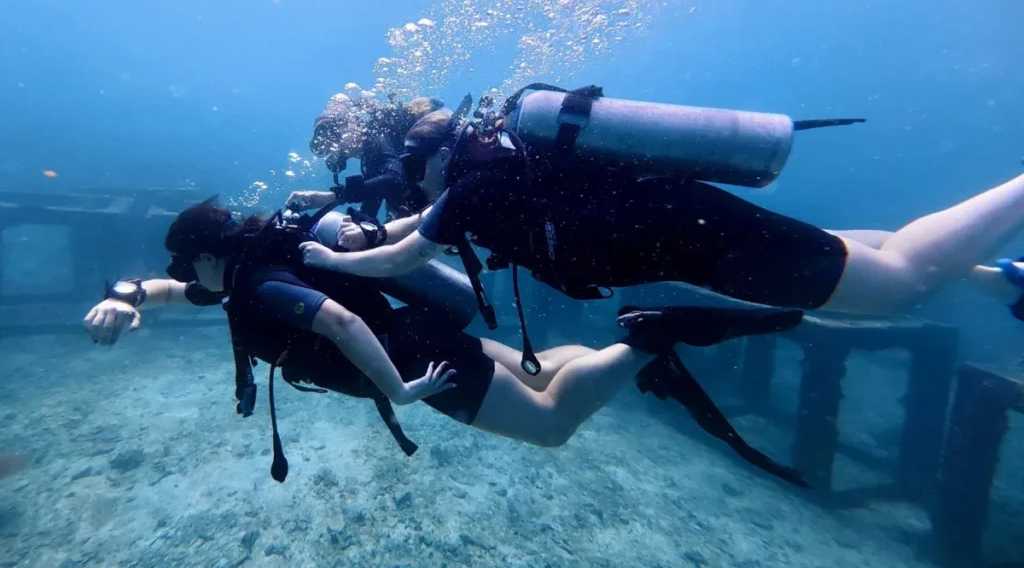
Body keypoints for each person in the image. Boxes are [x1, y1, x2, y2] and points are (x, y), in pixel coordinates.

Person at [82, 197, 809, 486]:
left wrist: (398, 389)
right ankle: (639, 341)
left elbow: (337, 323)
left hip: (413, 359)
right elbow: (186, 293)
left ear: (210, 249)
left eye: (185, 261)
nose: (184, 275)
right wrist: (128, 298)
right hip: (419, 332)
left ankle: (651, 339)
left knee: (551, 421)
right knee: (536, 375)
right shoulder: (247, 269)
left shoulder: (260, 283)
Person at [296, 103, 1024, 371]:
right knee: (853, 256)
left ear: (432, 161)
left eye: (409, 173)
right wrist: (349, 220)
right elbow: (408, 225)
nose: (405, 185)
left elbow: (404, 249)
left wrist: (328, 255)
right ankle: (1004, 277)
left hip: (699, 241)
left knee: (897, 284)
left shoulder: (469, 190)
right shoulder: (486, 178)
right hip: (689, 232)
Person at [286, 92, 445, 223]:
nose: (336, 146)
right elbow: (370, 207)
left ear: (354, 123)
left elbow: (394, 178)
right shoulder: (371, 159)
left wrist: (334, 196)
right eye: (328, 143)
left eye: (335, 134)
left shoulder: (377, 140)